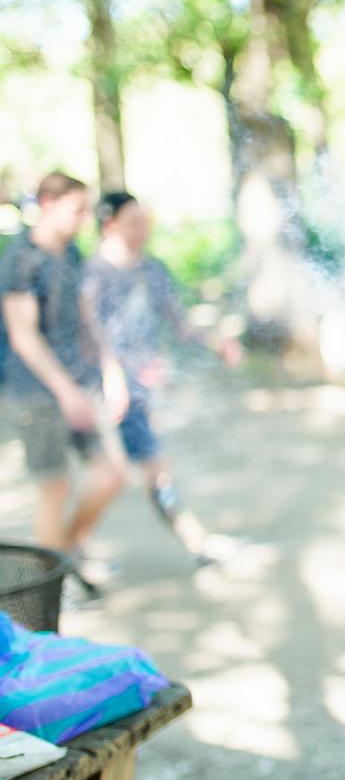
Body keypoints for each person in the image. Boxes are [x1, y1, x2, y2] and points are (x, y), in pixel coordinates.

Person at [83, 191, 243, 568]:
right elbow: (88, 336)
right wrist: (114, 375)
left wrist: (216, 342)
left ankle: (77, 549)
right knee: (122, 475)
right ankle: (73, 550)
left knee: (140, 474)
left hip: (140, 392)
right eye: (134, 222)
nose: (144, 229)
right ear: (110, 225)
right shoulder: (92, 276)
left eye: (146, 221)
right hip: (103, 392)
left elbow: (179, 323)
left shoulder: (152, 269)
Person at [0, 172, 130, 566]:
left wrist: (111, 369)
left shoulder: (71, 252)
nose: (85, 218)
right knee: (55, 488)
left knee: (112, 475)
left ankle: (63, 560)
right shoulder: (21, 260)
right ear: (48, 204)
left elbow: (87, 316)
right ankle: (56, 581)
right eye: (78, 209)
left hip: (79, 381)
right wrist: (66, 392)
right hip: (35, 392)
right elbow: (23, 336)